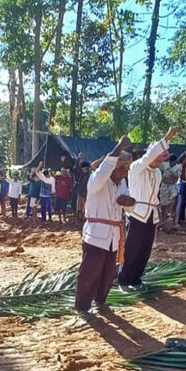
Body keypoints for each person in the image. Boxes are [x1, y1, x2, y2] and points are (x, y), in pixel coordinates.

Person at [75, 136, 135, 318]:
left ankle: (100, 300)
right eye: (121, 167)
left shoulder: (122, 182)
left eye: (126, 168)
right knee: (89, 273)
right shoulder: (96, 180)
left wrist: (129, 202)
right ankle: (83, 307)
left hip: (113, 237)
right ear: (113, 166)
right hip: (96, 236)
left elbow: (129, 204)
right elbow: (104, 170)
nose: (124, 172)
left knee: (108, 274)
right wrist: (118, 148)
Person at [118, 127, 178, 287]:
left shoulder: (158, 173)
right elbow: (147, 158)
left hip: (152, 215)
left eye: (162, 157)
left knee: (145, 250)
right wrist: (167, 137)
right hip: (137, 213)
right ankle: (124, 279)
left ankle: (136, 278)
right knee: (132, 249)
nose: (160, 160)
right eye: (157, 156)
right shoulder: (137, 167)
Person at [159, 156, 181, 222]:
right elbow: (159, 170)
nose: (170, 163)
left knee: (174, 197)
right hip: (164, 184)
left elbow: (178, 176)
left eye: (172, 161)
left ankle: (171, 215)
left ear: (175, 161)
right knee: (163, 202)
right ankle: (163, 217)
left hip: (173, 184)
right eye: (169, 161)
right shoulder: (164, 165)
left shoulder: (178, 167)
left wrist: (172, 173)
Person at [73, 161, 91, 225]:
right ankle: (77, 222)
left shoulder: (90, 176)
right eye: (82, 169)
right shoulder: (82, 174)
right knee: (78, 209)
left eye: (84, 169)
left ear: (87, 169)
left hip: (86, 195)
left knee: (84, 209)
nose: (83, 170)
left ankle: (84, 223)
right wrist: (78, 159)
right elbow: (76, 166)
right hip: (80, 193)